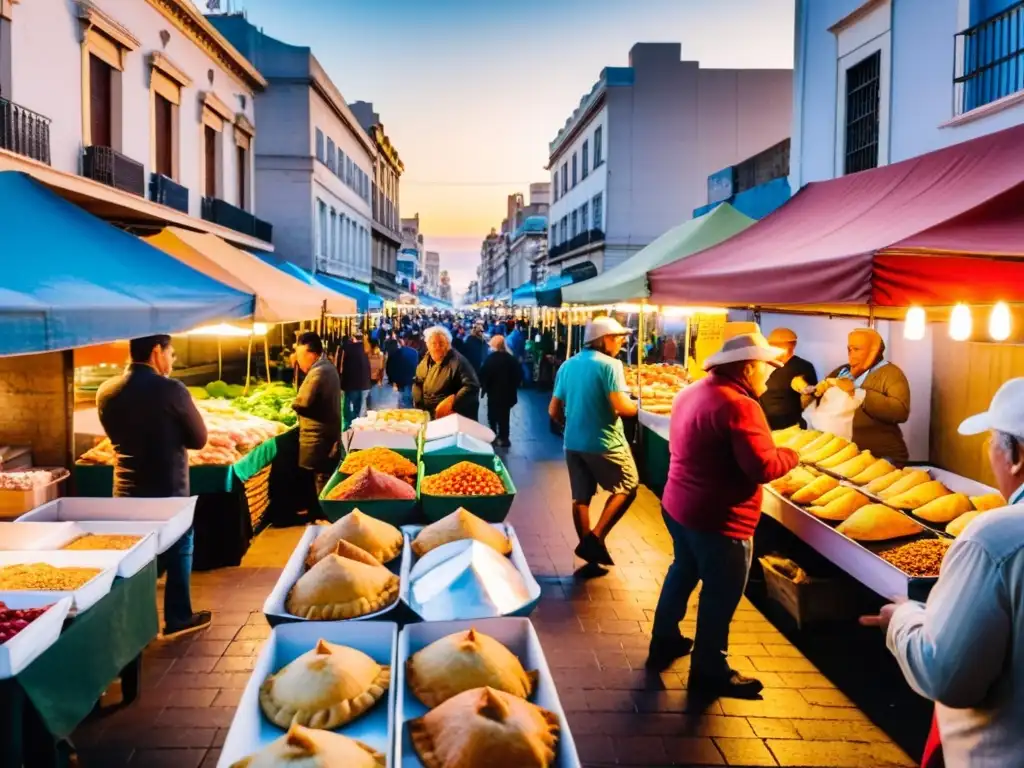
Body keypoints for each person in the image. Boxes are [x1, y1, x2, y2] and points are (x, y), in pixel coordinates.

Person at [863, 378, 1024, 767]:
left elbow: (946, 674)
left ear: (1016, 455)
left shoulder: (995, 539)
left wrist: (902, 619)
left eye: (991, 442)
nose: (990, 453)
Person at [647, 330, 799, 697]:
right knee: (720, 593)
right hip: (719, 518)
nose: (769, 375)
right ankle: (710, 669)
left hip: (679, 505)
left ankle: (664, 638)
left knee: (683, 570)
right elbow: (761, 467)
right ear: (747, 369)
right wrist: (791, 455)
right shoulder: (739, 405)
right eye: (765, 368)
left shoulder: (691, 391)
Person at [97, 335, 211, 637]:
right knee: (180, 546)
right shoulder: (171, 390)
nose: (172, 361)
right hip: (168, 489)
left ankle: (133, 625)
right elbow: (199, 439)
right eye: (171, 354)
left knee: (136, 557)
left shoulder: (106, 391)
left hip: (125, 490)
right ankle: (178, 617)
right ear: (156, 351)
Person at [548, 316, 639, 568]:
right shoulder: (610, 365)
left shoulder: (567, 365)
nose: (620, 343)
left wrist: (570, 426)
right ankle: (596, 538)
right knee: (628, 485)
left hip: (573, 442)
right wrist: (637, 407)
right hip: (606, 442)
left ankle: (588, 547)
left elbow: (553, 410)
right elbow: (622, 407)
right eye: (617, 338)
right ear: (604, 340)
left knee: (581, 496)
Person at [818, 328, 911, 461]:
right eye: (849, 349)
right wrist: (811, 392)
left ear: (873, 351)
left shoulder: (891, 374)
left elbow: (900, 412)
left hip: (880, 455)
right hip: (844, 452)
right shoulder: (842, 370)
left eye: (856, 349)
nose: (851, 355)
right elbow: (820, 400)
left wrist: (859, 393)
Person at [292, 331, 342, 499]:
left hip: (318, 438)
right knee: (322, 477)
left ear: (312, 354)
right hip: (326, 435)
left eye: (300, 355)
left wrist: (293, 404)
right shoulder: (326, 366)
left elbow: (303, 403)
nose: (298, 360)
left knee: (320, 480)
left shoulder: (319, 372)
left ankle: (322, 515)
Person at [413, 325, 481, 419]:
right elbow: (418, 381)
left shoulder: (458, 361)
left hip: (448, 416)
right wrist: (418, 402)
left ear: (448, 344)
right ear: (427, 345)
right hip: (428, 414)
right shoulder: (426, 360)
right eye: (434, 343)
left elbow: (471, 386)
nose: (438, 347)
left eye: (441, 343)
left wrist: (451, 403)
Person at [760, 327, 818, 430]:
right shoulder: (764, 365)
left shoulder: (803, 367)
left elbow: (813, 396)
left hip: (791, 427)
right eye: (772, 345)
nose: (776, 348)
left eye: (781, 345)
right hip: (765, 424)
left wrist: (805, 389)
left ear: (793, 345)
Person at [480, 335, 521, 447]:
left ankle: (493, 435)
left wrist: (484, 386)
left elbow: (483, 374)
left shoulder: (490, 359)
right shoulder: (511, 359)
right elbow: (518, 375)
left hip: (493, 393)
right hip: (508, 393)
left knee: (492, 415)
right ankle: (504, 438)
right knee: (504, 416)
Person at [338, 332, 371, 429]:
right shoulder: (366, 348)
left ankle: (349, 429)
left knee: (349, 409)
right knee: (361, 410)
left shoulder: (347, 348)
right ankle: (360, 430)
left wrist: (341, 384)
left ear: (353, 338)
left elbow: (341, 367)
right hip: (365, 384)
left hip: (352, 384)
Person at [386, 334, 419, 408]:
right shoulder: (415, 352)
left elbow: (390, 368)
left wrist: (392, 381)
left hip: (402, 381)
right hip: (413, 380)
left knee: (404, 400)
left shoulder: (396, 353)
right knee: (409, 398)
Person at [366, 339, 385, 410]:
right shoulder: (381, 355)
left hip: (366, 378)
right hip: (376, 379)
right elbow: (381, 369)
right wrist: (380, 380)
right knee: (374, 401)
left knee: (367, 399)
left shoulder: (366, 354)